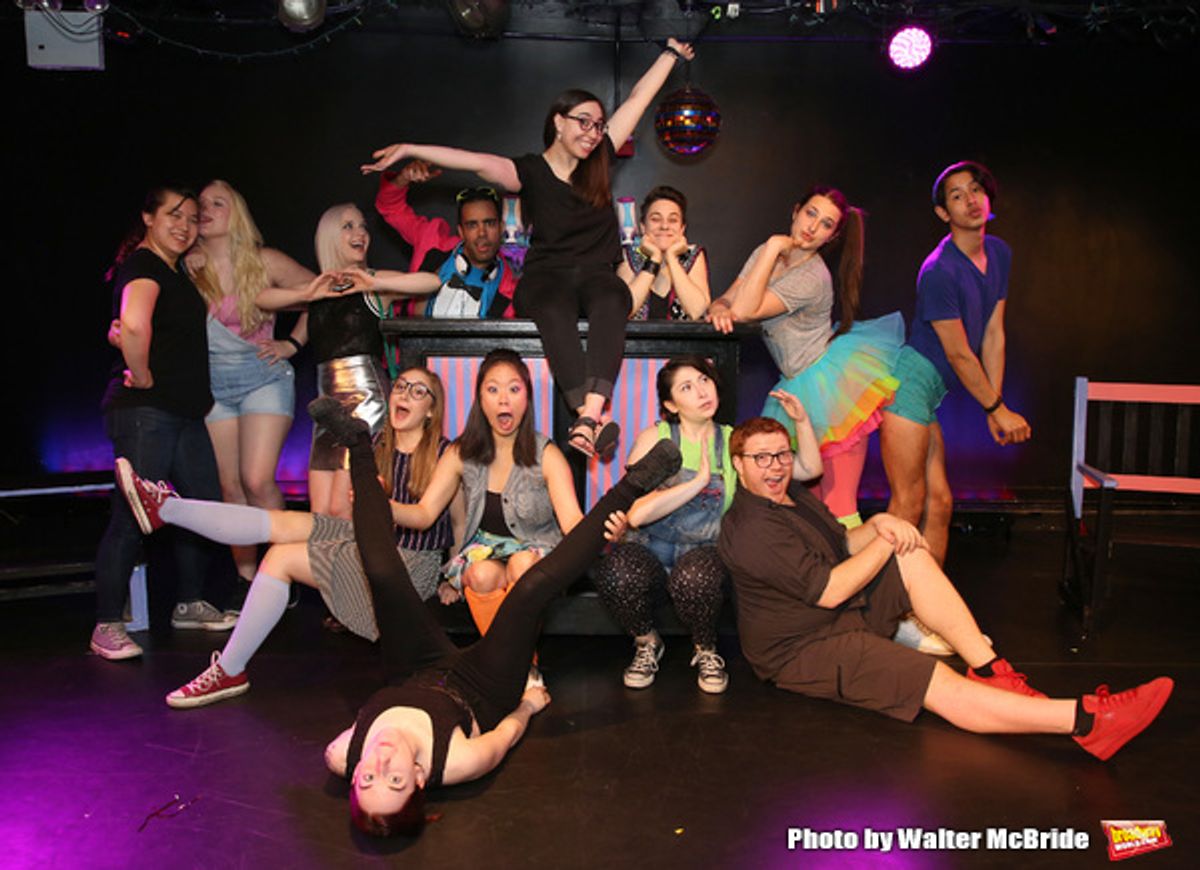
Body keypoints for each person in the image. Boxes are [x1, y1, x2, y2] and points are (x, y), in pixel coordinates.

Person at [313, 394, 682, 837]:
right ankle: (634, 484)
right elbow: (505, 736)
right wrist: (528, 702)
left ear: (353, 778)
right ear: (417, 782)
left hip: (411, 669)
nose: (381, 763)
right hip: (483, 686)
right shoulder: (459, 762)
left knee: (383, 572)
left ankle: (356, 440)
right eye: (394, 781)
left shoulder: (341, 753)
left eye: (369, 779)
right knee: (529, 591)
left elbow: (358, 757)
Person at [718, 416, 1173, 761]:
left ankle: (993, 670)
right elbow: (831, 589)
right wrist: (886, 536)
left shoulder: (788, 495)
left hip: (835, 615)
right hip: (804, 648)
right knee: (933, 680)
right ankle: (1087, 721)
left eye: (781, 454)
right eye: (761, 458)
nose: (775, 467)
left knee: (910, 554)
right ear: (738, 464)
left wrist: (879, 523)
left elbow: (839, 543)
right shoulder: (751, 528)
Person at [361, 38, 697, 459]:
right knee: (553, 306)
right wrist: (410, 148)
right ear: (558, 122)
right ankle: (589, 416)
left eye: (598, 125)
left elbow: (638, 98)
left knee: (615, 298)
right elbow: (471, 160)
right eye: (583, 122)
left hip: (595, 273)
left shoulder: (601, 159)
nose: (593, 133)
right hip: (546, 275)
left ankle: (589, 417)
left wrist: (669, 55)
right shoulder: (529, 172)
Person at [113, 367, 460, 707]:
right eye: (400, 386)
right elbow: (358, 511)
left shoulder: (448, 453)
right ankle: (166, 510)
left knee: (279, 558)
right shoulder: (375, 444)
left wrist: (383, 507)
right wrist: (365, 499)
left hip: (408, 565)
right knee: (282, 523)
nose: (404, 394)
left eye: (418, 391)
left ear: (431, 409)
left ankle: (229, 669)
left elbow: (427, 516)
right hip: (369, 539)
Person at [91, 186, 237, 661]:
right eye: (174, 215)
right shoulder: (144, 265)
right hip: (145, 413)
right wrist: (143, 371)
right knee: (132, 517)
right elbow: (134, 324)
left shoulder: (170, 271)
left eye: (193, 218)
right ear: (148, 217)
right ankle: (107, 625)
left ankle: (189, 603)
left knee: (200, 509)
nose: (184, 225)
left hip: (183, 413)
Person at [708, 187, 902, 528]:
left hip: (831, 388)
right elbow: (728, 301)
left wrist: (771, 249)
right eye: (810, 214)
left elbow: (745, 309)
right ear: (796, 211)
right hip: (798, 383)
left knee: (838, 506)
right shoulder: (766, 254)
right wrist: (719, 306)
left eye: (826, 224)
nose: (812, 227)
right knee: (806, 505)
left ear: (832, 236)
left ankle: (859, 577)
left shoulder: (812, 277)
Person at [881, 161, 1031, 566]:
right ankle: (882, 608)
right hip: (910, 386)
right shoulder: (939, 271)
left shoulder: (999, 253)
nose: (970, 200)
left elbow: (994, 334)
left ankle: (928, 608)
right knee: (907, 507)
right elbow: (959, 352)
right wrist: (997, 410)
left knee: (941, 503)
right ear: (943, 213)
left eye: (976, 190)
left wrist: (993, 404)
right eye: (957, 195)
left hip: (931, 394)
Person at [386, 350, 582, 649]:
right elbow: (425, 514)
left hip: (536, 554)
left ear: (527, 399)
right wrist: (382, 506)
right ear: (480, 399)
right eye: (493, 389)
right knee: (479, 574)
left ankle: (522, 674)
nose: (504, 400)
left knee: (522, 565)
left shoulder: (547, 455)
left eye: (514, 389)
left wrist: (608, 527)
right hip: (485, 553)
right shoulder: (460, 452)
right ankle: (520, 670)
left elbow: (573, 525)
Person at [594, 356, 751, 693]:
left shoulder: (733, 440)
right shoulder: (657, 437)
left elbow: (802, 470)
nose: (701, 391)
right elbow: (635, 513)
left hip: (704, 553)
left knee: (697, 576)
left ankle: (705, 648)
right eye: (687, 387)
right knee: (615, 571)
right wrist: (697, 483)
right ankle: (647, 642)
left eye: (704, 380)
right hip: (651, 547)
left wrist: (803, 426)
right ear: (670, 404)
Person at [189, 180, 315, 582]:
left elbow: (323, 293)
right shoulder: (187, 264)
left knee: (257, 479)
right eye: (201, 203)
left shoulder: (265, 261)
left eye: (217, 203)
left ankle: (284, 571)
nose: (206, 208)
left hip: (263, 377)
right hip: (213, 384)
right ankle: (248, 581)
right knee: (230, 488)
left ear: (236, 213)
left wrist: (293, 343)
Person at [306, 203, 441, 519]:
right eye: (349, 226)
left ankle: (361, 569)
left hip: (365, 402)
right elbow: (263, 298)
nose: (360, 233)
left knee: (345, 508)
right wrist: (288, 342)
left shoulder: (373, 283)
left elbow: (431, 282)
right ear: (328, 236)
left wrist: (374, 282)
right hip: (326, 407)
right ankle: (328, 570)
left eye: (363, 226)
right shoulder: (318, 288)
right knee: (320, 513)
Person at [374, 159, 518, 326]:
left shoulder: (511, 291)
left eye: (489, 223)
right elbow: (390, 208)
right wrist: (403, 178)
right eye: (472, 225)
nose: (482, 233)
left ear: (501, 228)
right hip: (412, 350)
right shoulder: (431, 240)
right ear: (461, 231)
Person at [618, 185, 711, 320]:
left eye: (672, 220)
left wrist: (672, 259)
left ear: (682, 228)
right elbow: (624, 310)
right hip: (635, 341)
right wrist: (654, 260)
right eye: (656, 219)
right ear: (643, 227)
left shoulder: (693, 254)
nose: (664, 226)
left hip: (684, 341)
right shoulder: (630, 255)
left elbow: (696, 311)